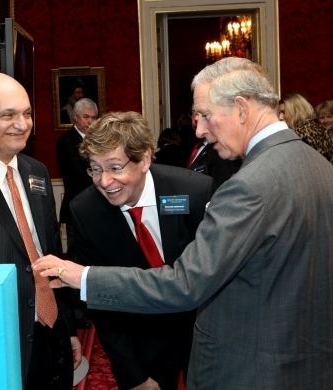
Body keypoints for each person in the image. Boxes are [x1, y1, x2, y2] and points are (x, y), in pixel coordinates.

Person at [34, 57, 333, 389]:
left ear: (241, 108)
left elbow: (185, 284)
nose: (198, 130)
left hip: (247, 370)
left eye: (206, 115)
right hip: (308, 365)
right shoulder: (323, 170)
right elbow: (332, 282)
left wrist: (81, 276)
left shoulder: (247, 186)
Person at [0, 73, 81, 389]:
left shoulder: (37, 172)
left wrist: (69, 328)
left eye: (27, 113)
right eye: (8, 115)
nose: (22, 124)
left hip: (51, 332)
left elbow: (50, 255)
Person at [66, 111, 214, 389]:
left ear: (144, 159)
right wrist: (134, 375)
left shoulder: (192, 191)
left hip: (202, 330)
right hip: (140, 339)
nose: (104, 181)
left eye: (115, 167)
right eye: (95, 169)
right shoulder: (86, 211)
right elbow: (103, 305)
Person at [56, 97, 99, 252]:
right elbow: (77, 173)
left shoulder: (100, 141)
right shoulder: (66, 141)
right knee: (77, 253)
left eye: (94, 117)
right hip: (77, 205)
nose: (91, 122)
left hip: (99, 206)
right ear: (75, 117)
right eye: (86, 117)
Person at [187, 108, 241, 190]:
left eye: (204, 115)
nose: (195, 118)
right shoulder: (196, 147)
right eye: (194, 113)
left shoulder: (222, 150)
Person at [279, 93, 333, 166]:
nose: (280, 117)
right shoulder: (317, 128)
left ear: (296, 111)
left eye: (284, 112)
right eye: (279, 113)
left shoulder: (299, 135)